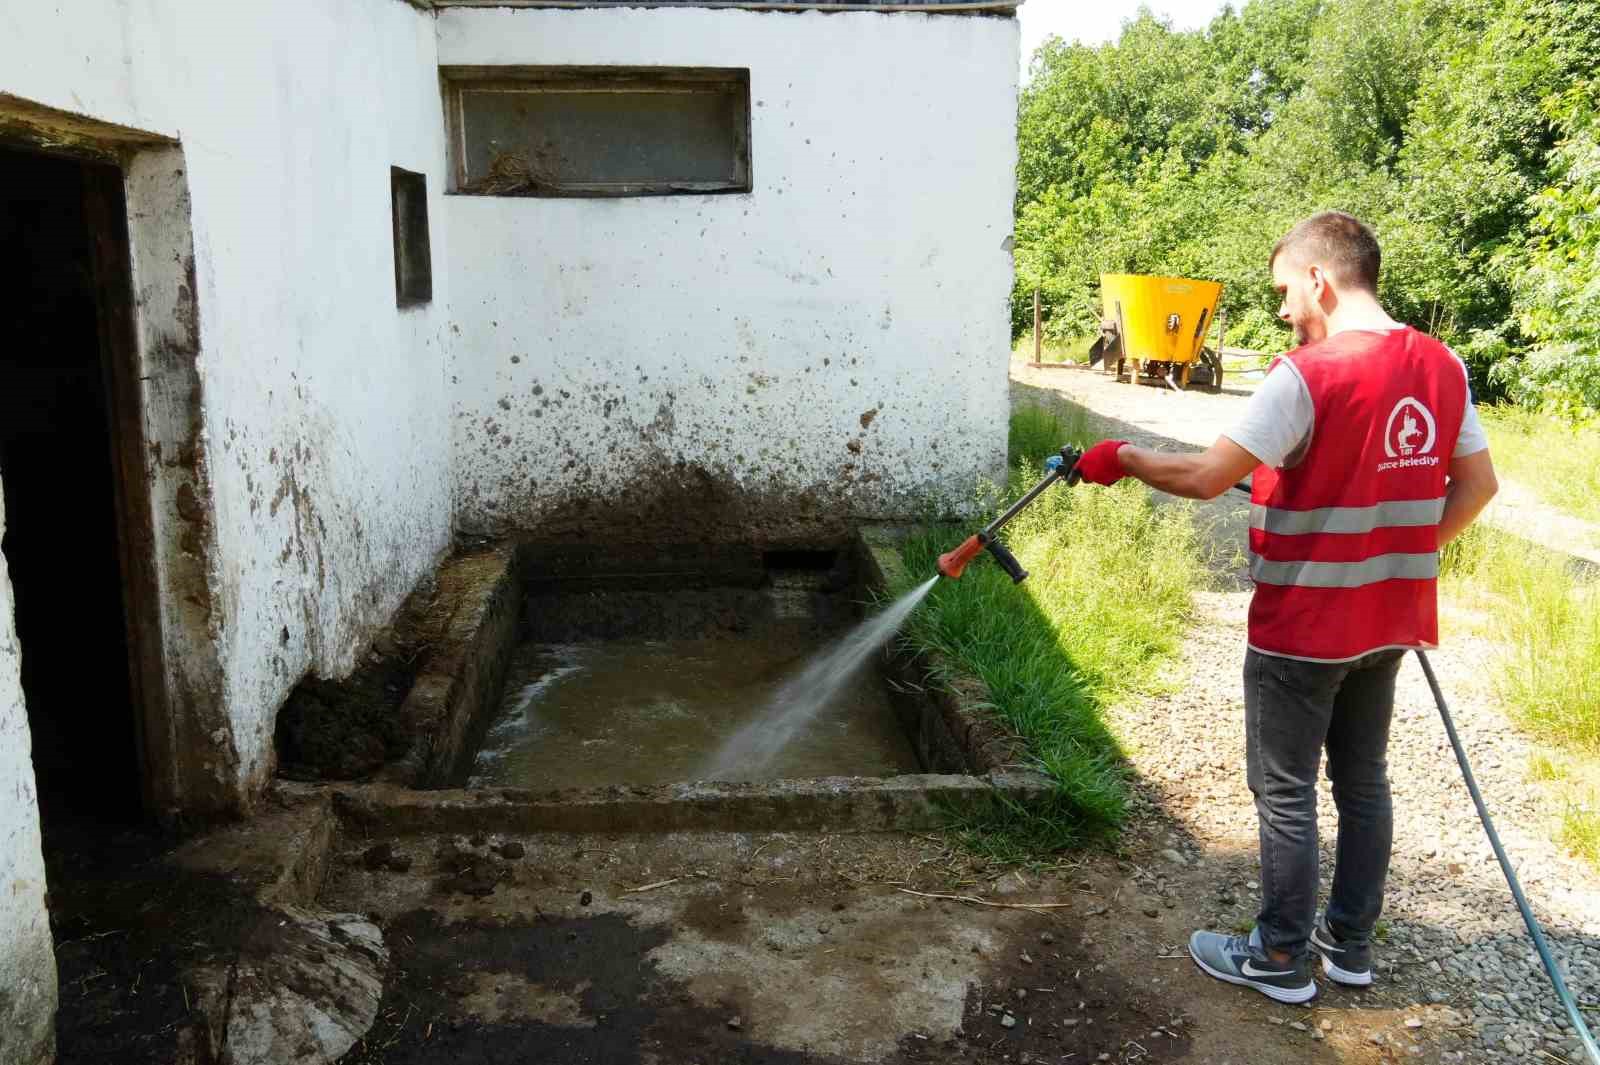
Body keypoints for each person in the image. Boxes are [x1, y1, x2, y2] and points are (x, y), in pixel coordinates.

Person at [1070, 211, 1500, 1004]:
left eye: (1283, 291)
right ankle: (1350, 945)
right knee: (1364, 781)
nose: (1281, 312)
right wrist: (1401, 558)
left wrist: (1121, 457)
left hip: (1303, 628)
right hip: (1386, 622)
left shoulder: (1309, 374)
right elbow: (1478, 487)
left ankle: (1276, 956)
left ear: (1319, 280)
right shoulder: (1442, 366)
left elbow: (1205, 477)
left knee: (1287, 790)